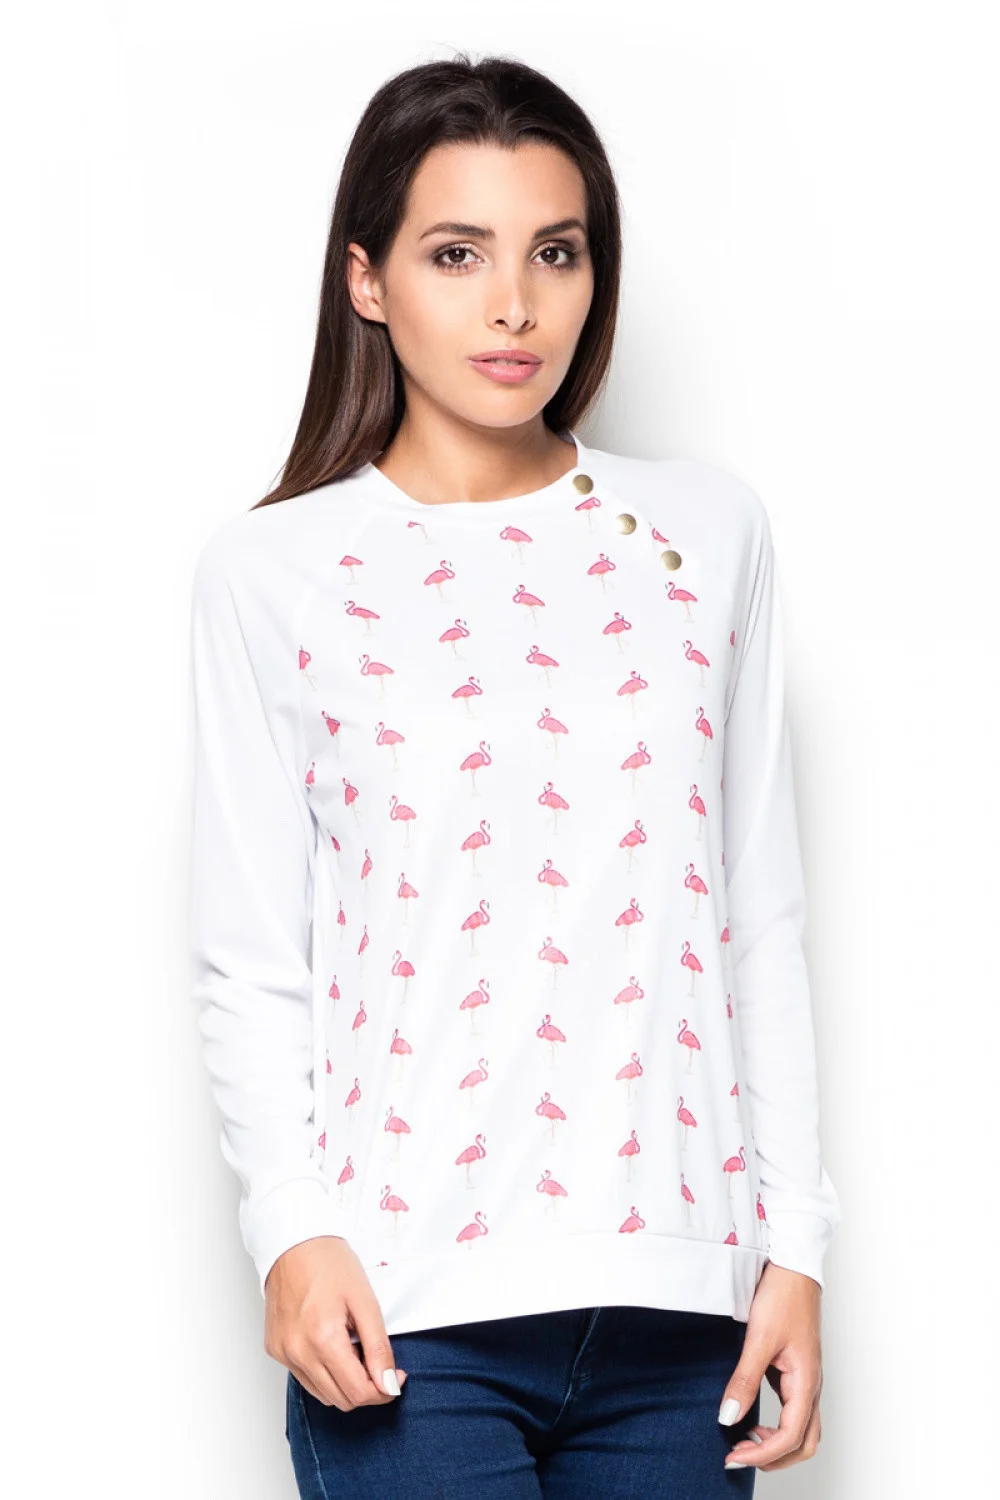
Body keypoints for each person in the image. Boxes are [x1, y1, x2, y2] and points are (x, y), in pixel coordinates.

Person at [187, 51, 840, 1498]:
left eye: (556, 251)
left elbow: (757, 914)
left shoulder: (704, 535)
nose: (514, 305)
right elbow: (251, 957)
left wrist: (797, 1243)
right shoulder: (275, 572)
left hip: (687, 1313)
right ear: (366, 280)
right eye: (456, 253)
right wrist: (291, 1229)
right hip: (407, 1314)